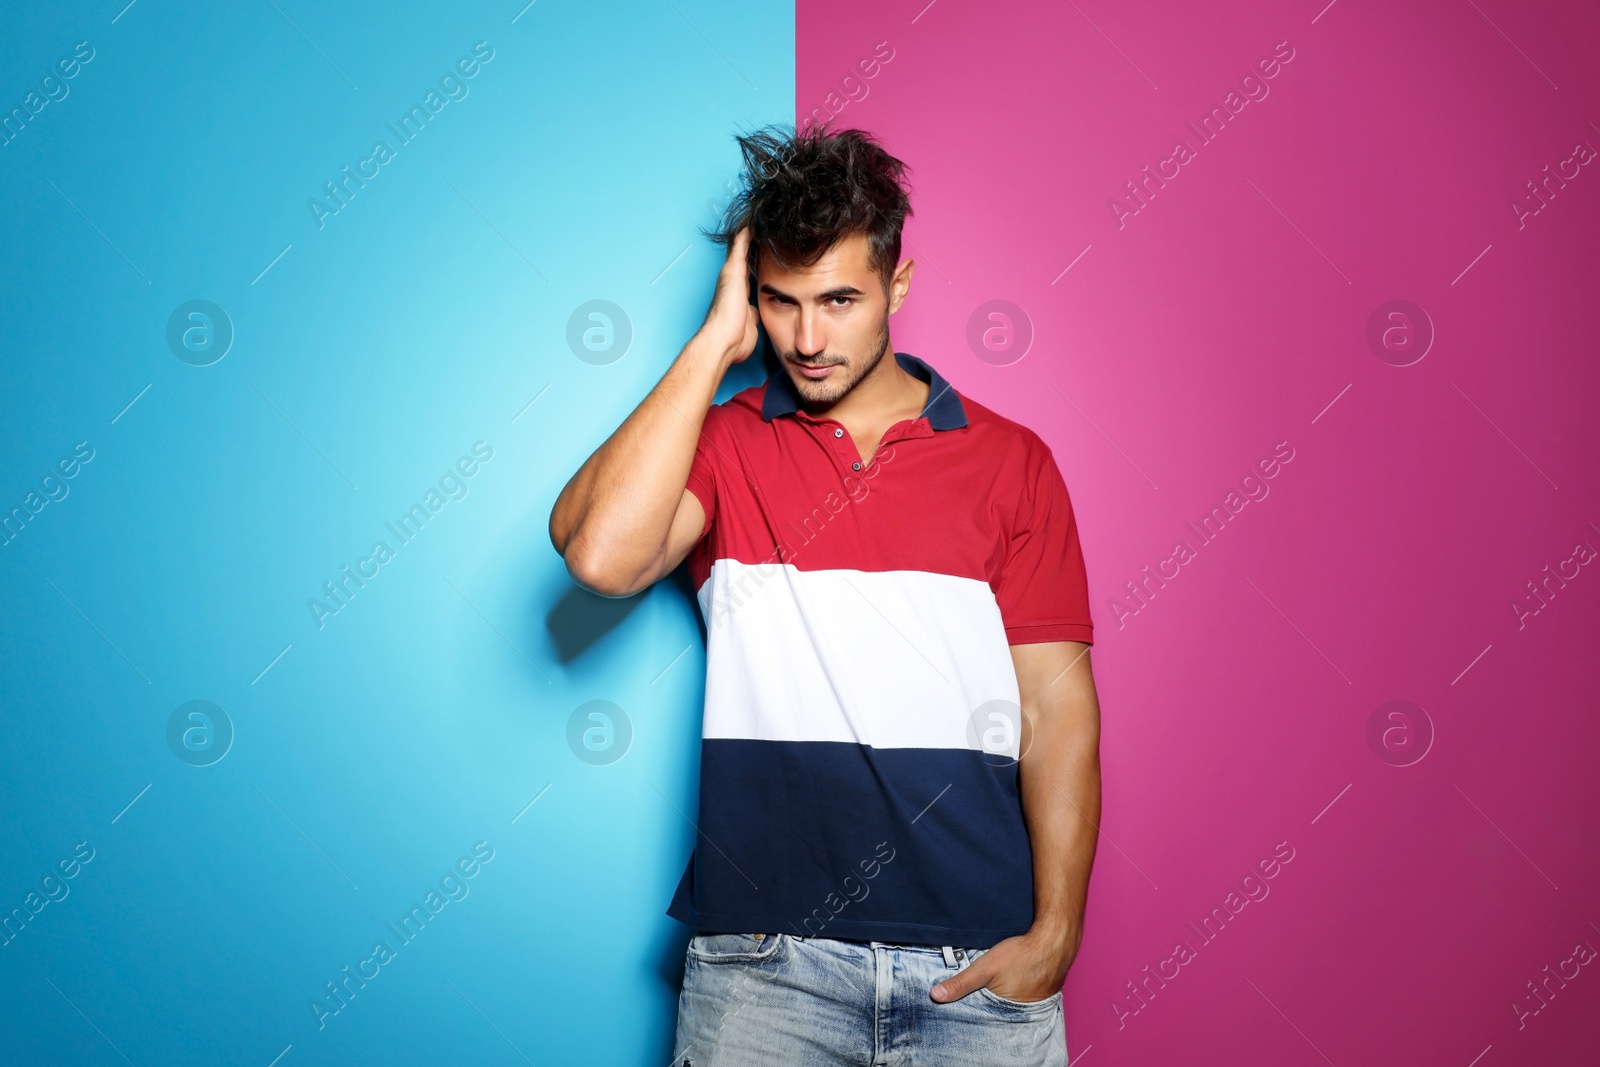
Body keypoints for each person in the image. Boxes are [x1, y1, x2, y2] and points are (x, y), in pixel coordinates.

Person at [548, 122, 1101, 1066]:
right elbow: (601, 555)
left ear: (899, 284)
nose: (806, 339)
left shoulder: (1011, 462)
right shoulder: (724, 443)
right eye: (780, 302)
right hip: (767, 971)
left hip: (974, 972)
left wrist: (1056, 935)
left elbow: (1058, 709)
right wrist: (715, 344)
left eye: (839, 299)